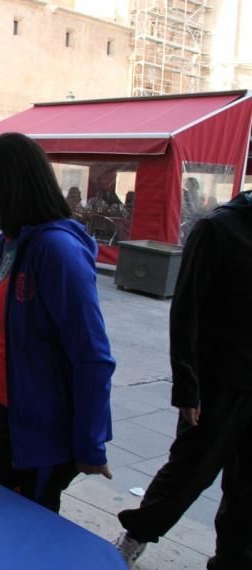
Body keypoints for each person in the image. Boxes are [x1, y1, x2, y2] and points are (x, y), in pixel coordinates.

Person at [0, 132, 115, 513]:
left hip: (45, 433)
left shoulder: (57, 250)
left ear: (14, 187)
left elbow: (92, 355)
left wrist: (90, 443)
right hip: (14, 418)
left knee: (25, 533)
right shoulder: (7, 243)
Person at [115, 190, 252, 569]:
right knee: (189, 473)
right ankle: (136, 535)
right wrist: (187, 386)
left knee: (247, 491)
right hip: (217, 382)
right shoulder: (218, 229)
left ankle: (232, 561)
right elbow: (186, 310)